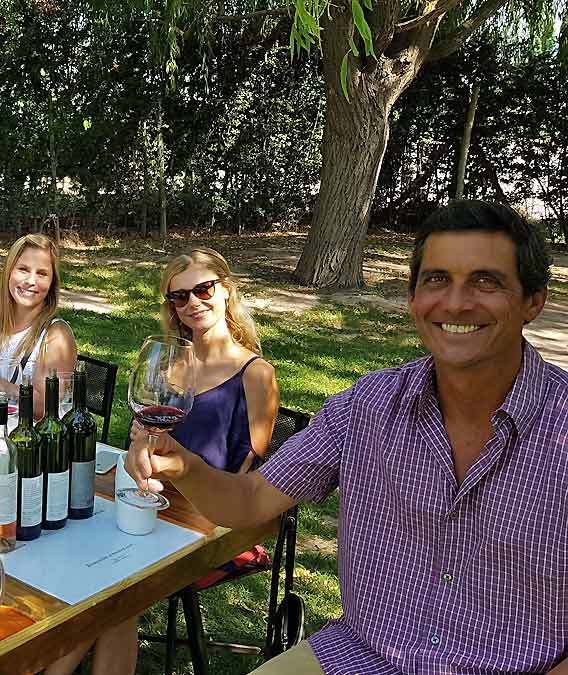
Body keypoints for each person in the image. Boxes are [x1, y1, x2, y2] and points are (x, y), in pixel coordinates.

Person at [127, 201, 568, 675]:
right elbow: (251, 499)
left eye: (486, 281)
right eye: (437, 279)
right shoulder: (366, 406)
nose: (456, 302)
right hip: (361, 656)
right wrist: (184, 467)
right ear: (414, 298)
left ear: (533, 301)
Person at [47, 247, 279, 675]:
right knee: (68, 543)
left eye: (204, 289)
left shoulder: (255, 374)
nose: (193, 303)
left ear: (226, 291)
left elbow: (248, 477)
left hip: (210, 520)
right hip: (148, 500)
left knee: (119, 593)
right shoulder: (170, 362)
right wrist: (139, 449)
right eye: (179, 297)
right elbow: (145, 437)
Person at [0, 233, 76, 416]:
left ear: (51, 283)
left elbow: (46, 409)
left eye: (42, 274)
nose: (31, 281)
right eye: (23, 269)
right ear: (8, 273)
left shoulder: (55, 335)